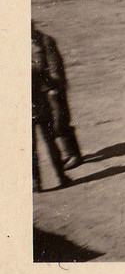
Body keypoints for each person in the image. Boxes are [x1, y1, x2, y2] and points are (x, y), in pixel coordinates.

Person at [31, 23, 81, 169]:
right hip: (40, 92)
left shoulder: (46, 41)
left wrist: (55, 87)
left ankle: (74, 155)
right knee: (51, 124)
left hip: (54, 89)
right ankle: (68, 152)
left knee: (60, 121)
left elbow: (55, 65)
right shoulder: (28, 44)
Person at [32, 27, 71, 192]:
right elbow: (50, 81)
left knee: (29, 148)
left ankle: (36, 183)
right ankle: (61, 176)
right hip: (41, 109)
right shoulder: (34, 67)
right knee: (50, 144)